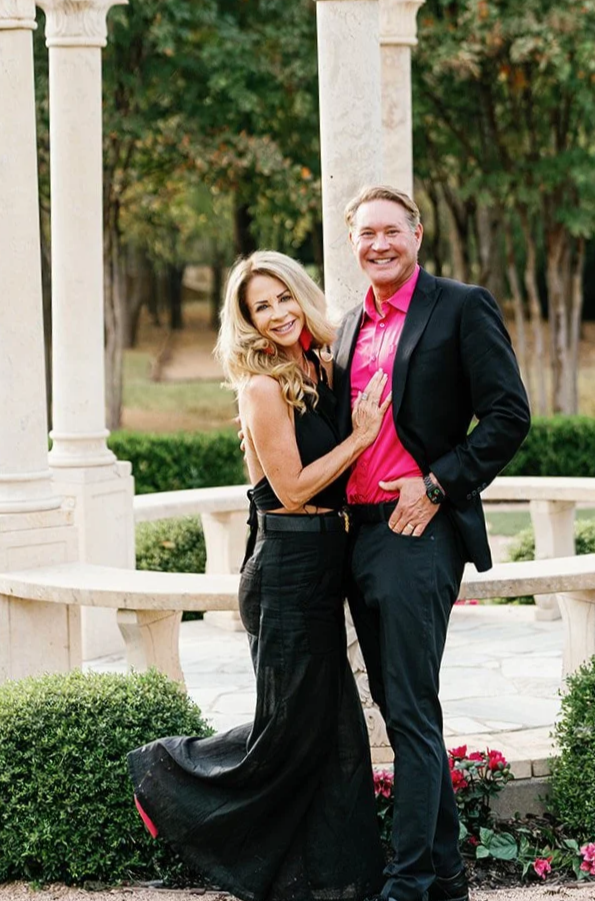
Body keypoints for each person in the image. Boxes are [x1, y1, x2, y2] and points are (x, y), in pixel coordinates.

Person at [129, 250, 391, 901]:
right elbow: (295, 488)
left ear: (303, 296)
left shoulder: (320, 370)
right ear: (245, 321)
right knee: (287, 729)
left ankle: (341, 880)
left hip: (323, 566)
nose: (276, 313)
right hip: (285, 567)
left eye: (282, 298)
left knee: (334, 732)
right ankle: (162, 775)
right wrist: (360, 437)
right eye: (260, 306)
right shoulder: (262, 386)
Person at [334, 186, 531, 901]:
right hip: (353, 534)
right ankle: (445, 876)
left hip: (416, 530)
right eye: (364, 233)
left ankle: (408, 880)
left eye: (390, 230)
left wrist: (439, 483)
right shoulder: (347, 322)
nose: (377, 243)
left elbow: (508, 414)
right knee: (398, 706)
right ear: (351, 241)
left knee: (411, 706)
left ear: (416, 233)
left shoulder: (459, 305)